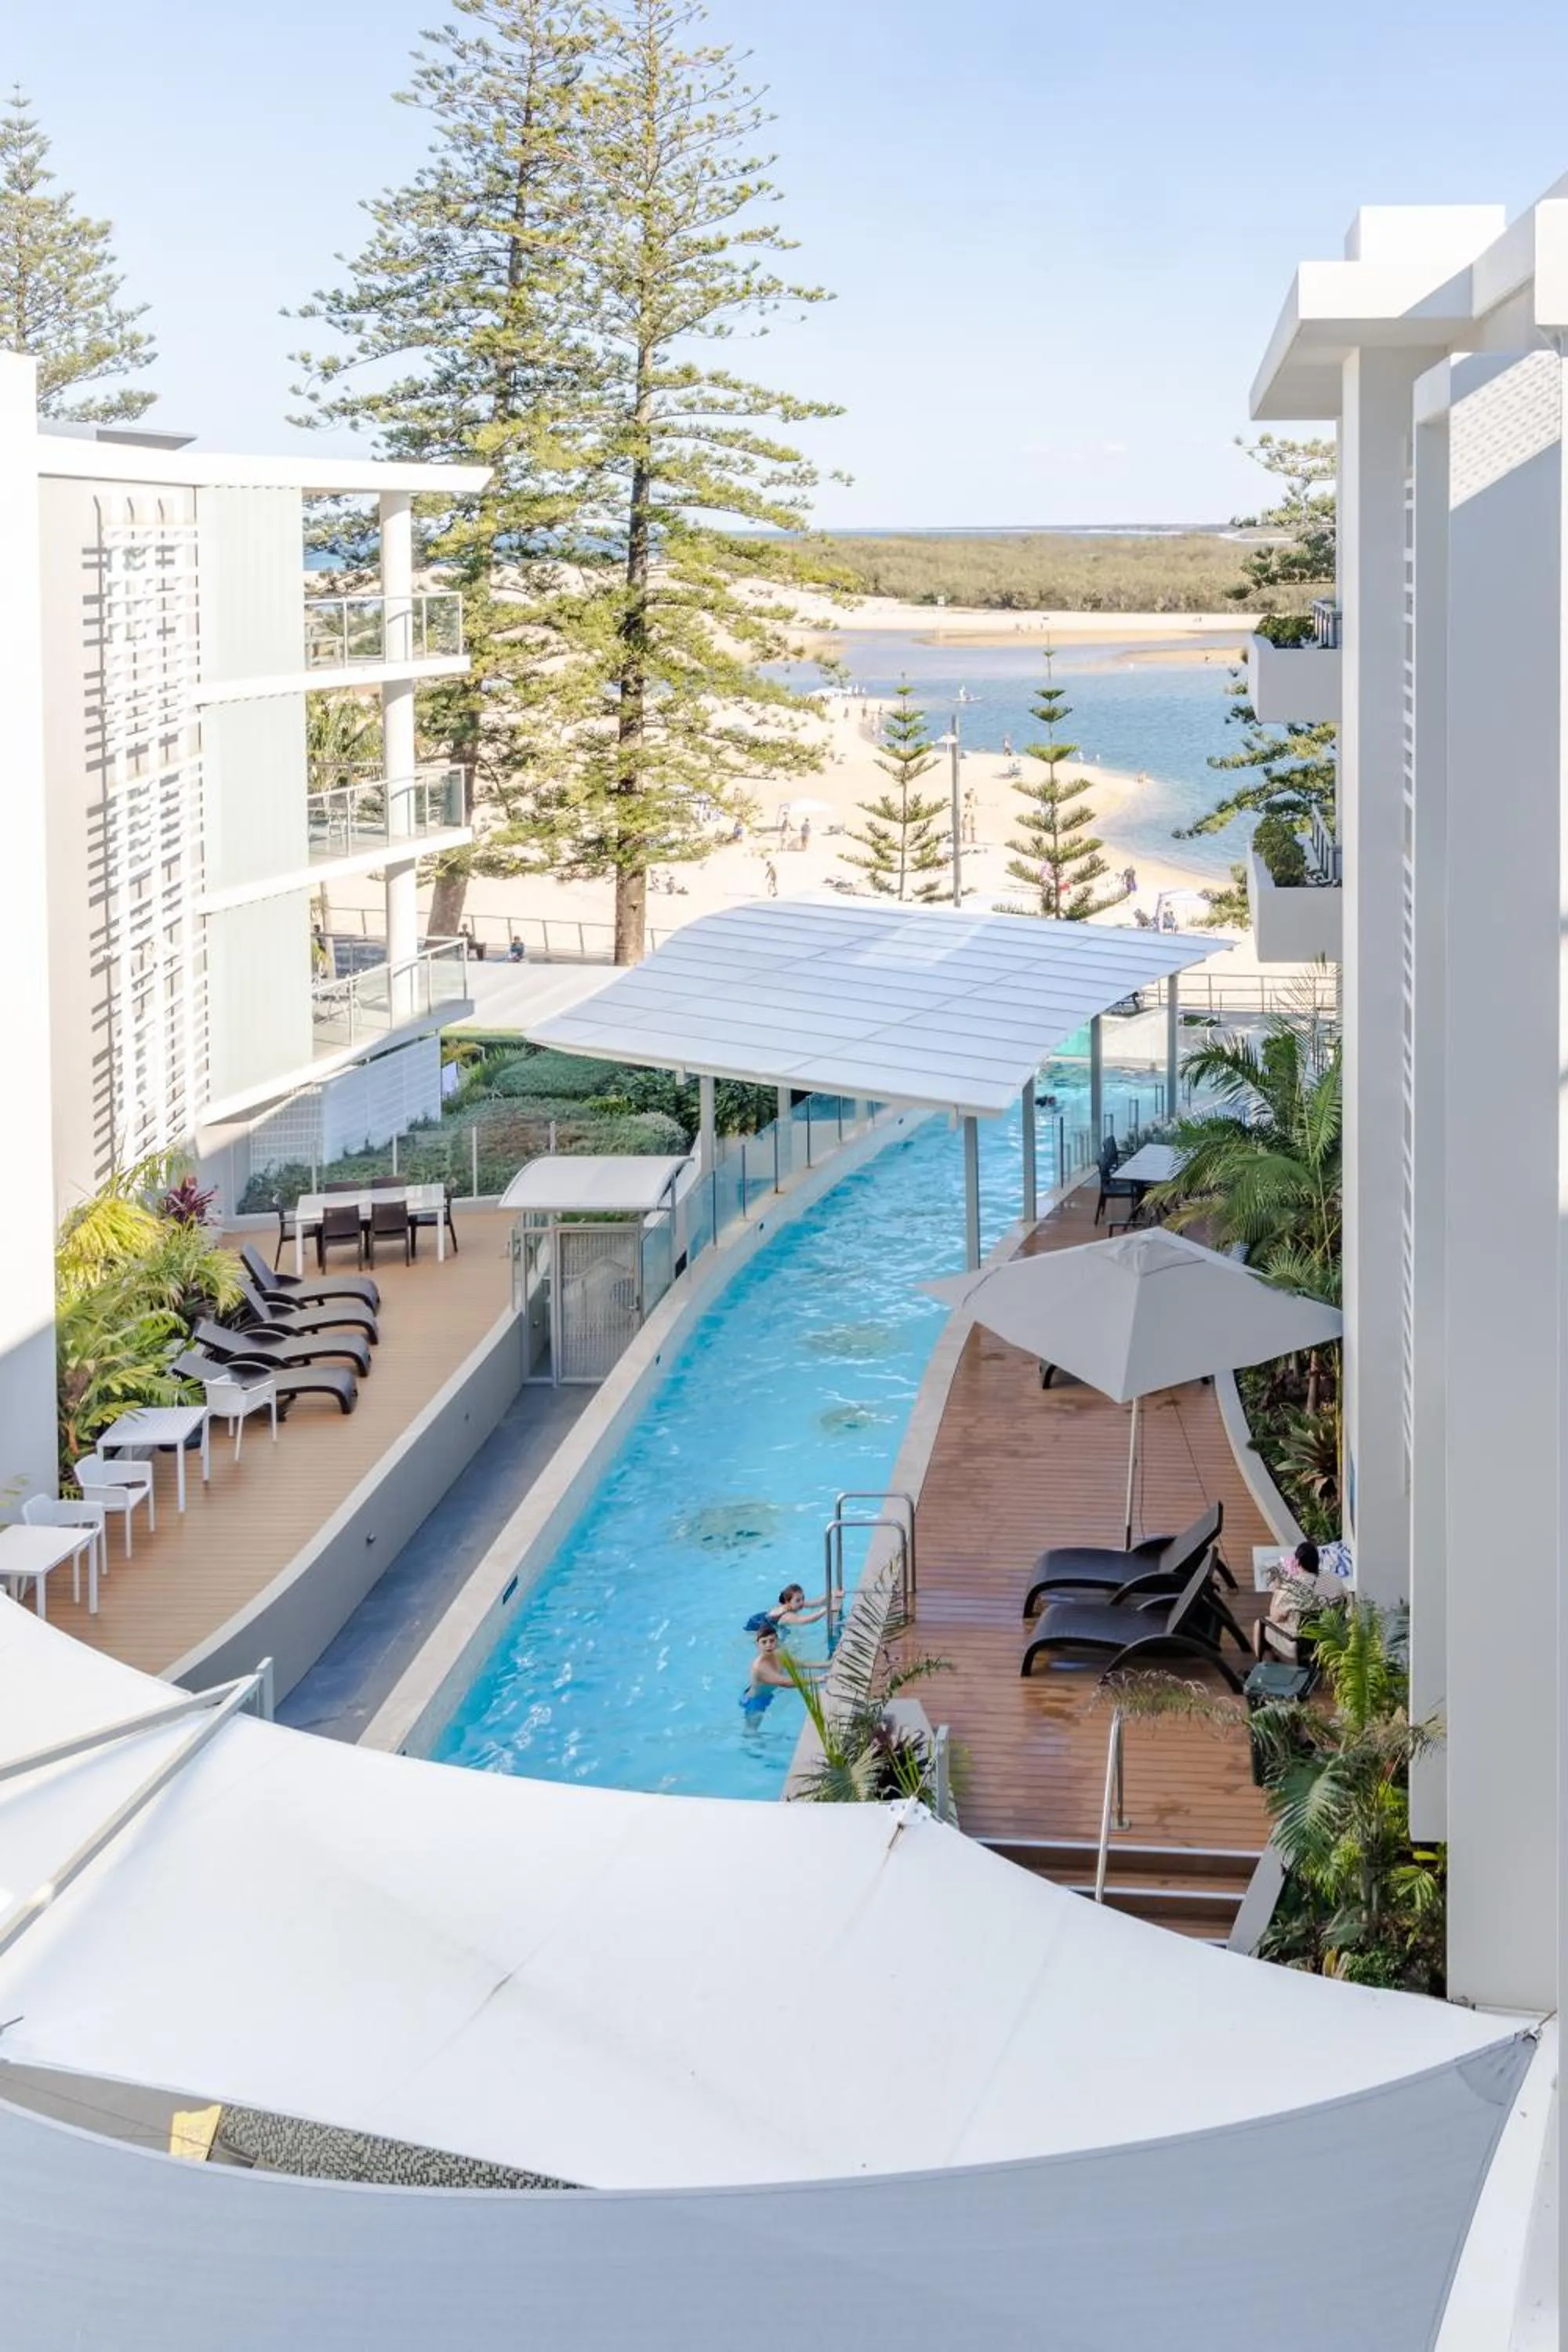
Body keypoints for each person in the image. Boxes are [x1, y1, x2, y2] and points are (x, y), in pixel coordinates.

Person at [1254, 1540, 1342, 1663]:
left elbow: (1275, 1617)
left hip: (1297, 1644)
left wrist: (1277, 1590)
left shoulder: (1291, 1589)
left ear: (1298, 1563)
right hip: (1325, 1639)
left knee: (1260, 1624)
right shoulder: (1335, 1580)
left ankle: (1263, 1666)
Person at [739, 1628, 795, 1726]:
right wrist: (817, 1680)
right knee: (751, 1733)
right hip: (755, 1702)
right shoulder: (760, 1667)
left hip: (764, 1692)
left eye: (772, 1641)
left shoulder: (777, 1655)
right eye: (764, 1642)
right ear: (758, 1645)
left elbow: (797, 1664)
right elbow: (786, 1683)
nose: (769, 1645)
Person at [745, 1583, 832, 1635]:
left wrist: (831, 1594)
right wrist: (826, 1609)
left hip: (764, 1617)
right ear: (787, 1602)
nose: (802, 1602)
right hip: (757, 1625)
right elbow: (807, 1620)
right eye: (798, 1600)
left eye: (803, 1598)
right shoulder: (787, 1616)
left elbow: (816, 1603)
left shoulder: (795, 1604)